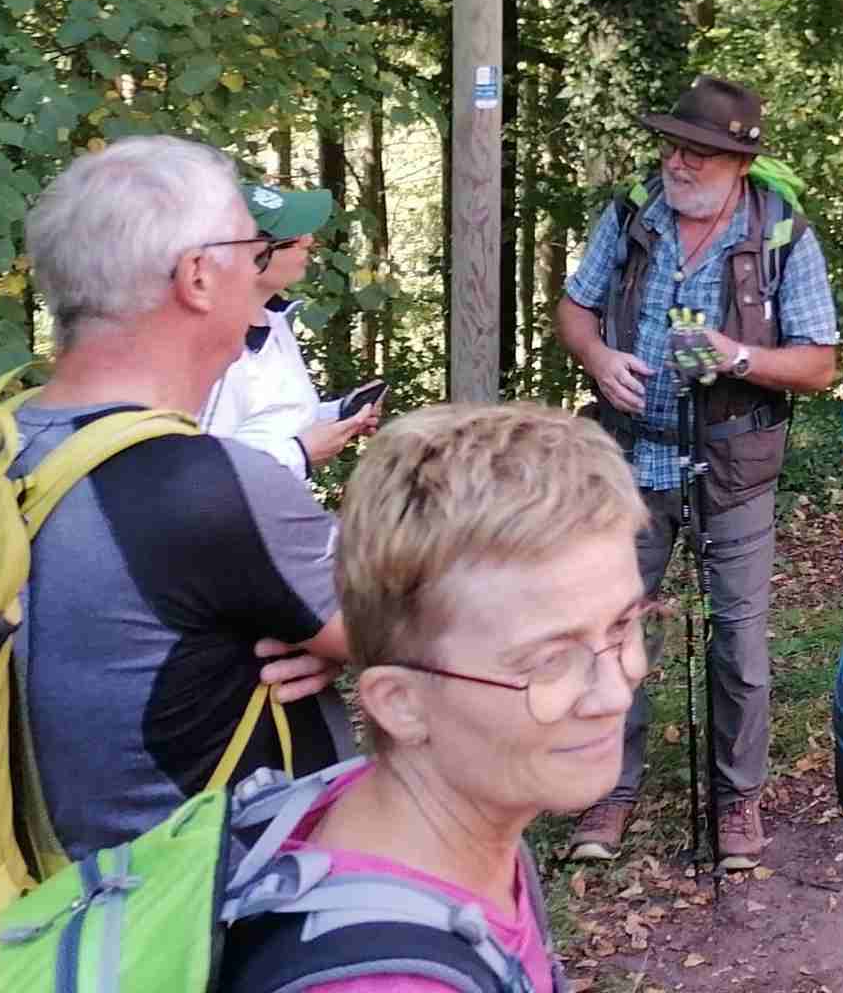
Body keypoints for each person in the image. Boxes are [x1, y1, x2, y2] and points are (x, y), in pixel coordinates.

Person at [220, 404, 649, 993]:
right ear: (401, 703)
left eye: (622, 627)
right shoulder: (387, 981)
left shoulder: (439, 825)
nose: (614, 693)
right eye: (549, 661)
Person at [13, 136, 352, 858]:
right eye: (250, 252)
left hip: (36, 890)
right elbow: (416, 636)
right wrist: (351, 640)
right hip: (196, 899)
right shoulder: (207, 485)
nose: (259, 270)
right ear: (198, 276)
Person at [554, 74, 839, 870]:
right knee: (610, 628)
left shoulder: (781, 233)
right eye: (673, 146)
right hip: (629, 459)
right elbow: (574, 308)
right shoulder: (632, 213)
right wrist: (598, 357)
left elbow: (820, 365)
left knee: (738, 643)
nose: (678, 162)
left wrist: (736, 357)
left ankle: (737, 800)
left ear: (739, 163)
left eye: (698, 153)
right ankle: (609, 790)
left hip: (734, 463)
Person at [201, 180, 382, 478]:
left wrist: (340, 415)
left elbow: (274, 420)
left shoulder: (273, 321)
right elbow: (204, 474)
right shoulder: (217, 349)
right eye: (293, 237)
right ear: (254, 254)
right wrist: (301, 454)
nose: (309, 241)